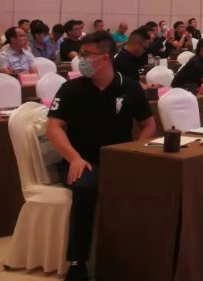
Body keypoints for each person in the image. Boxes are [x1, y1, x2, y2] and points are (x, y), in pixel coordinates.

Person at [46, 31, 155, 281]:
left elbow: (148, 125)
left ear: (105, 58)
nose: (81, 59)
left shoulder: (129, 87)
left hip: (119, 161)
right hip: (81, 161)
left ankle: (138, 255)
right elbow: (53, 128)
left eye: (86, 55)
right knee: (86, 188)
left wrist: (132, 153)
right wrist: (74, 158)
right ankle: (78, 262)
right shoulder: (71, 88)